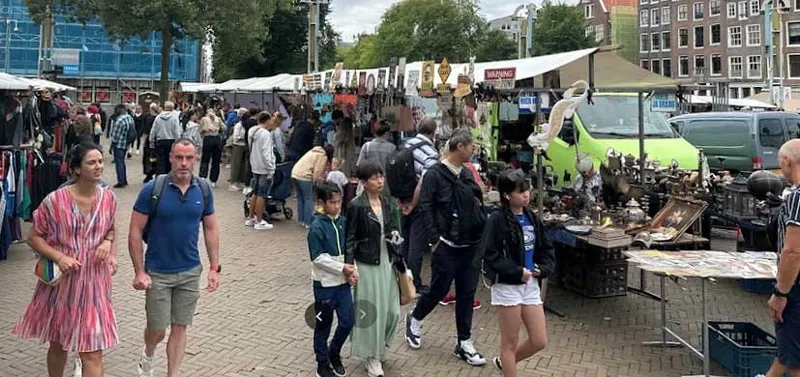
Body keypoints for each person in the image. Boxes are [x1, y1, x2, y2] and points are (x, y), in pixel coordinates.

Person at [12, 142, 118, 377]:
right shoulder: (54, 201)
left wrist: (108, 244)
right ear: (77, 169)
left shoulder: (109, 199)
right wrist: (59, 257)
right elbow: (34, 238)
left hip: (94, 284)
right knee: (59, 344)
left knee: (92, 351)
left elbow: (111, 229)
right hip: (62, 284)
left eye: (100, 161)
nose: (98, 166)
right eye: (92, 162)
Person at [128, 138, 220, 377]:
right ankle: (148, 352)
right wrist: (139, 271)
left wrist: (214, 267)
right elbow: (135, 231)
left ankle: (173, 374)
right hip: (157, 272)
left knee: (180, 327)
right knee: (158, 330)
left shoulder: (203, 189)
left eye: (189, 158)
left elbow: (210, 228)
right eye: (179, 157)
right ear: (170, 158)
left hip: (190, 271)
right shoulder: (153, 189)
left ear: (196, 159)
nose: (184, 163)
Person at [405, 129, 487, 366]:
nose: (474, 150)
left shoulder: (467, 173)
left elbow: (478, 200)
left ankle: (464, 342)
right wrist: (435, 241)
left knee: (467, 293)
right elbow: (426, 207)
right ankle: (415, 318)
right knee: (439, 289)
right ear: (459, 147)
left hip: (469, 244)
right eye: (472, 146)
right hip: (446, 245)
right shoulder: (435, 174)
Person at [482, 169, 555, 376]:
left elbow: (547, 248)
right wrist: (516, 272)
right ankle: (508, 366)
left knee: (539, 340)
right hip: (507, 285)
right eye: (520, 191)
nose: (526, 195)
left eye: (527, 190)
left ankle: (505, 363)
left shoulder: (532, 217)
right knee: (510, 343)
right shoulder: (496, 219)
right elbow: (490, 254)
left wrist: (544, 268)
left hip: (531, 284)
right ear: (507, 195)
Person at [346, 161, 401, 377]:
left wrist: (398, 246)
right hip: (367, 263)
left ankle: (381, 347)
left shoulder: (388, 203)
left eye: (381, 176)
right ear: (364, 182)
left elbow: (394, 229)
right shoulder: (356, 206)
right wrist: (350, 267)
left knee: (393, 311)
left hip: (387, 261)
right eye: (374, 178)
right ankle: (372, 356)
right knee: (371, 312)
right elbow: (349, 238)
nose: (380, 181)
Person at [308, 181, 356, 377]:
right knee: (323, 326)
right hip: (324, 286)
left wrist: (353, 271)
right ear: (321, 203)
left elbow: (349, 250)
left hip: (342, 285)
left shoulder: (343, 222)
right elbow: (317, 258)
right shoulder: (316, 227)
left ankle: (334, 352)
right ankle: (322, 364)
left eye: (339, 201)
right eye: (333, 202)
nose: (337, 206)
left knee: (348, 321)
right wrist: (342, 268)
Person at [761, 139, 800, 377]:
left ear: (787, 161)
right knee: (791, 356)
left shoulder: (797, 197)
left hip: (796, 288)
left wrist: (781, 293)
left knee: (792, 359)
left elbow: (793, 251)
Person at [399, 118, 440, 294]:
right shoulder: (431, 152)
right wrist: (414, 204)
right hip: (418, 204)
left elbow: (395, 176)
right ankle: (413, 284)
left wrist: (401, 202)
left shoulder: (404, 145)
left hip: (403, 200)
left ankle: (400, 280)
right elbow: (424, 182)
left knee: (404, 242)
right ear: (433, 133)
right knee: (416, 246)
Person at [245, 112, 276, 231]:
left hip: (255, 165)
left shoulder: (252, 131)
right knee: (262, 194)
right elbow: (266, 152)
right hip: (264, 167)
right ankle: (259, 220)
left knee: (255, 192)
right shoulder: (266, 134)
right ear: (267, 120)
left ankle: (251, 217)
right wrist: (271, 168)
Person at [292, 144, 334, 228]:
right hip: (305, 176)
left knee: (301, 198)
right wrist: (315, 182)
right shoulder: (323, 156)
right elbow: (317, 171)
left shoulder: (313, 151)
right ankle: (308, 222)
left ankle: (301, 220)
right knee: (308, 199)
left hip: (295, 173)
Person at [149, 101, 183, 175]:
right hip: (171, 142)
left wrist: (151, 142)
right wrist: (178, 142)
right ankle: (169, 177)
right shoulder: (174, 118)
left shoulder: (158, 117)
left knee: (160, 162)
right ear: (172, 108)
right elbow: (177, 132)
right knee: (170, 161)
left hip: (160, 141)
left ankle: (160, 179)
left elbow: (153, 130)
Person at [199, 108, 225, 187]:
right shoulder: (214, 119)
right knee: (212, 160)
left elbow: (200, 130)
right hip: (213, 138)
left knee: (209, 159)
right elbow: (224, 128)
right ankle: (210, 179)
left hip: (210, 138)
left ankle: (206, 178)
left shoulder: (207, 119)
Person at [110, 104, 133, 188]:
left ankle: (121, 181)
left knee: (119, 163)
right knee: (122, 162)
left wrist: (111, 146)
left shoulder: (119, 120)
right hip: (126, 143)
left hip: (119, 144)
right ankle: (124, 180)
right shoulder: (129, 117)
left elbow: (115, 136)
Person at [228, 108, 250, 191]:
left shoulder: (245, 125)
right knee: (236, 164)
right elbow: (235, 137)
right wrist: (243, 138)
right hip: (237, 145)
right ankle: (232, 182)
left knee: (242, 165)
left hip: (243, 145)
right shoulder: (238, 125)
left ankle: (239, 181)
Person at [141, 103, 159, 183]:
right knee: (155, 157)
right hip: (157, 140)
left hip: (149, 140)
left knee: (148, 157)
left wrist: (143, 141)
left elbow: (146, 131)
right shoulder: (159, 118)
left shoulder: (149, 118)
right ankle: (155, 171)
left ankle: (149, 173)